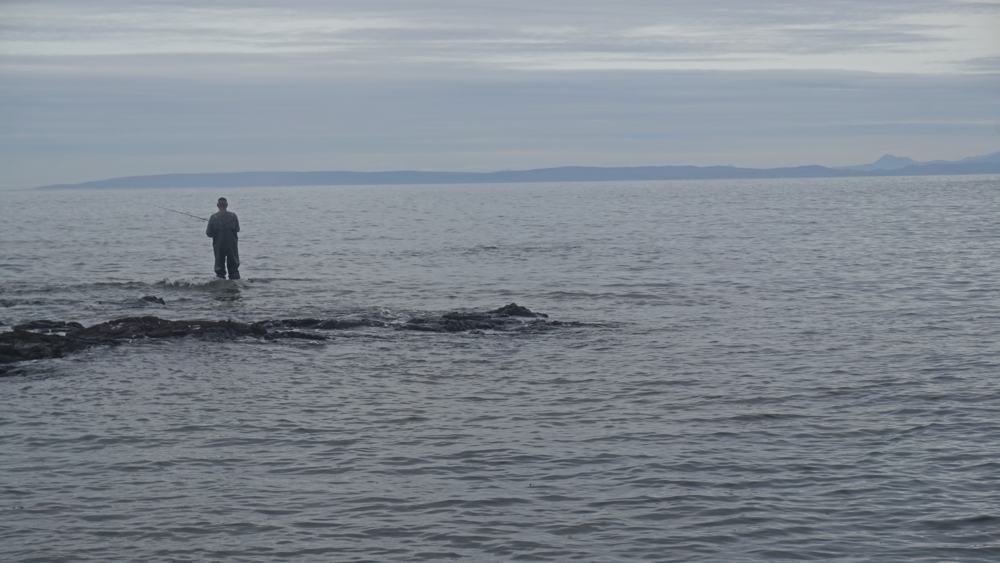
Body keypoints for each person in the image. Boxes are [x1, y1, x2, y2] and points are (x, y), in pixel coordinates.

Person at [205, 197, 240, 279]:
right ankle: (235, 286)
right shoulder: (233, 216)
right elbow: (237, 229)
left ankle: (220, 287)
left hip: (219, 247)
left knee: (219, 270)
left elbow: (208, 233)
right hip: (232, 246)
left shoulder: (213, 217)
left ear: (217, 205)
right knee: (234, 269)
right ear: (227, 205)